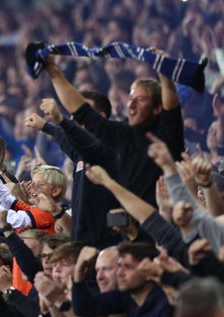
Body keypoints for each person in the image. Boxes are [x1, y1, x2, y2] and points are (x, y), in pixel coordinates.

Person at [42, 54, 184, 206]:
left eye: (140, 99)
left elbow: (171, 106)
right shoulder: (123, 134)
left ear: (157, 108)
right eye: (131, 98)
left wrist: (164, 72)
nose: (131, 104)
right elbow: (81, 111)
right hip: (134, 220)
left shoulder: (167, 132)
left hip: (169, 218)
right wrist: (53, 70)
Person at [25, 95, 122, 248]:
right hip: (83, 245)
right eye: (72, 116)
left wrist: (60, 120)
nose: (74, 121)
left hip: (106, 247)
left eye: (79, 115)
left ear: (101, 118)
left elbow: (80, 139)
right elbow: (68, 141)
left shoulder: (109, 150)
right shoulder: (81, 155)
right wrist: (46, 127)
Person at [72, 242, 173, 317]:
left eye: (128, 267)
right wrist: (78, 271)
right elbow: (84, 307)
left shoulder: (166, 308)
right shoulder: (127, 296)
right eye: (120, 266)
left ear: (150, 271)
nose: (120, 273)